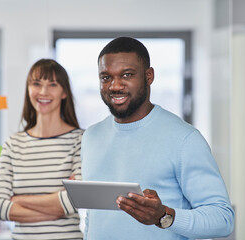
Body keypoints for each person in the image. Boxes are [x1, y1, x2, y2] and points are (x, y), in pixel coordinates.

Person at [81, 37, 235, 239]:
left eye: (127, 75)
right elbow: (94, 218)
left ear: (149, 76)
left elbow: (223, 219)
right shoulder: (91, 137)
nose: (115, 85)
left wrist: (164, 216)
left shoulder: (184, 139)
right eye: (106, 77)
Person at [0, 59, 84, 240]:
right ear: (28, 89)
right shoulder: (13, 144)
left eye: (53, 85)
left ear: (64, 92)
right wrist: (56, 204)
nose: (43, 92)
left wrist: (18, 199)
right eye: (36, 84)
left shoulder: (80, 140)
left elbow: (75, 201)